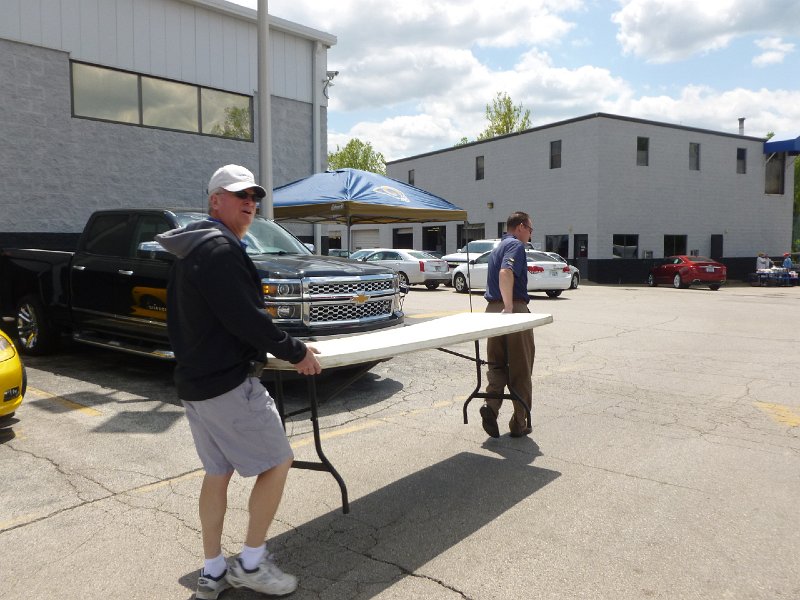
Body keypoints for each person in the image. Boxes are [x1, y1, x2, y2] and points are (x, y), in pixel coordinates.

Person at [156, 164, 321, 600]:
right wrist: (297, 351)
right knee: (278, 461)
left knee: (218, 471)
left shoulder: (190, 249)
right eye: (239, 195)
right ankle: (250, 563)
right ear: (215, 201)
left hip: (194, 383)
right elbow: (247, 320)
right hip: (228, 384)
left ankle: (212, 572)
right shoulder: (221, 251)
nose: (250, 203)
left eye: (254, 197)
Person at [479, 211, 536, 438]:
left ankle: (491, 407)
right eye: (530, 229)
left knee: (496, 364)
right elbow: (505, 272)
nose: (530, 234)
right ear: (521, 226)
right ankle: (519, 423)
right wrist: (510, 307)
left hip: (492, 310)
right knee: (521, 368)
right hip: (512, 309)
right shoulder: (516, 246)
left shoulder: (497, 247)